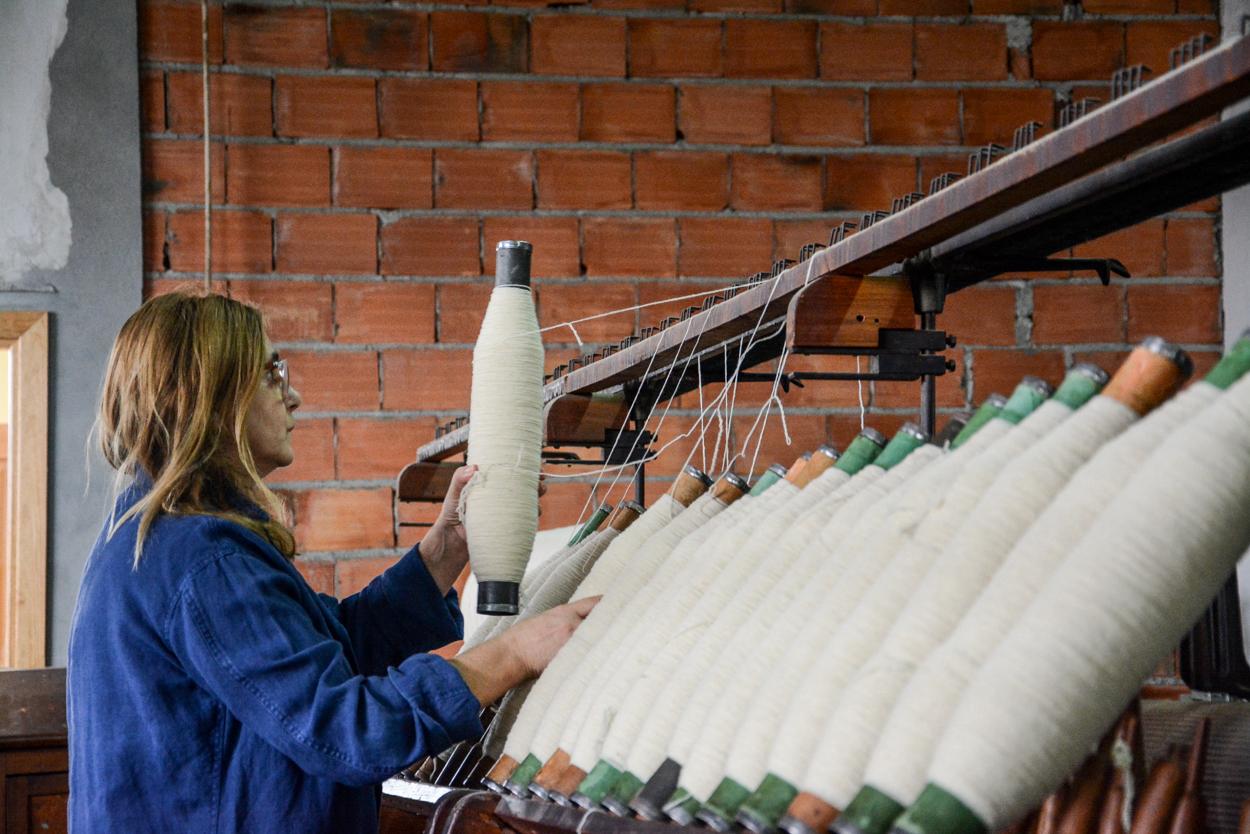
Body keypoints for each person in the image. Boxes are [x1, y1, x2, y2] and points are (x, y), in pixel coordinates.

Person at [67, 291, 597, 833]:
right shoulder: (204, 560)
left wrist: (444, 553)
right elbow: (342, 730)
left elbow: (311, 657)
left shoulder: (157, 537)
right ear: (213, 396)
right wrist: (512, 653)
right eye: (272, 373)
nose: (292, 395)